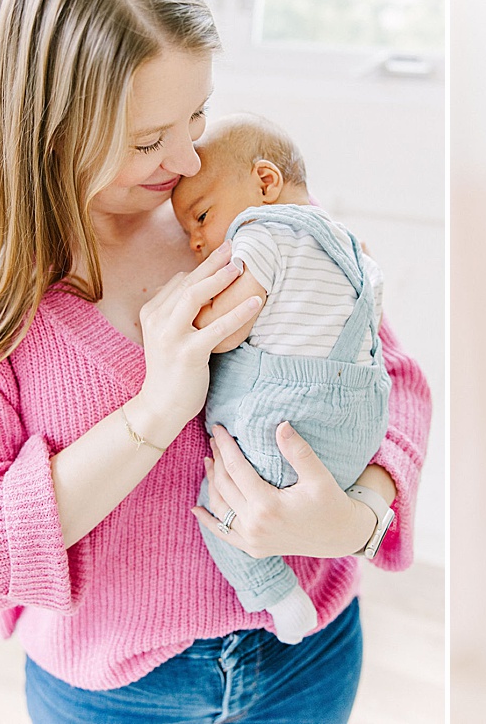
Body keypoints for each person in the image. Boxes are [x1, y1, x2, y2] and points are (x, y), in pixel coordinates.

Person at [0, 0, 430, 722]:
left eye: (197, 114)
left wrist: (357, 517)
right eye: (149, 139)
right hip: (109, 695)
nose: (186, 161)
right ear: (48, 131)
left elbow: (391, 376)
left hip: (308, 657)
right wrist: (155, 411)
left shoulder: (238, 214)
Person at [168, 113, 390, 646]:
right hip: (358, 428)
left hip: (290, 422)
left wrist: (184, 307)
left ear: (264, 183)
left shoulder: (261, 235)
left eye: (200, 216)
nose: (196, 241)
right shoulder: (350, 247)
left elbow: (222, 331)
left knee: (222, 507)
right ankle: (350, 491)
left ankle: (279, 599)